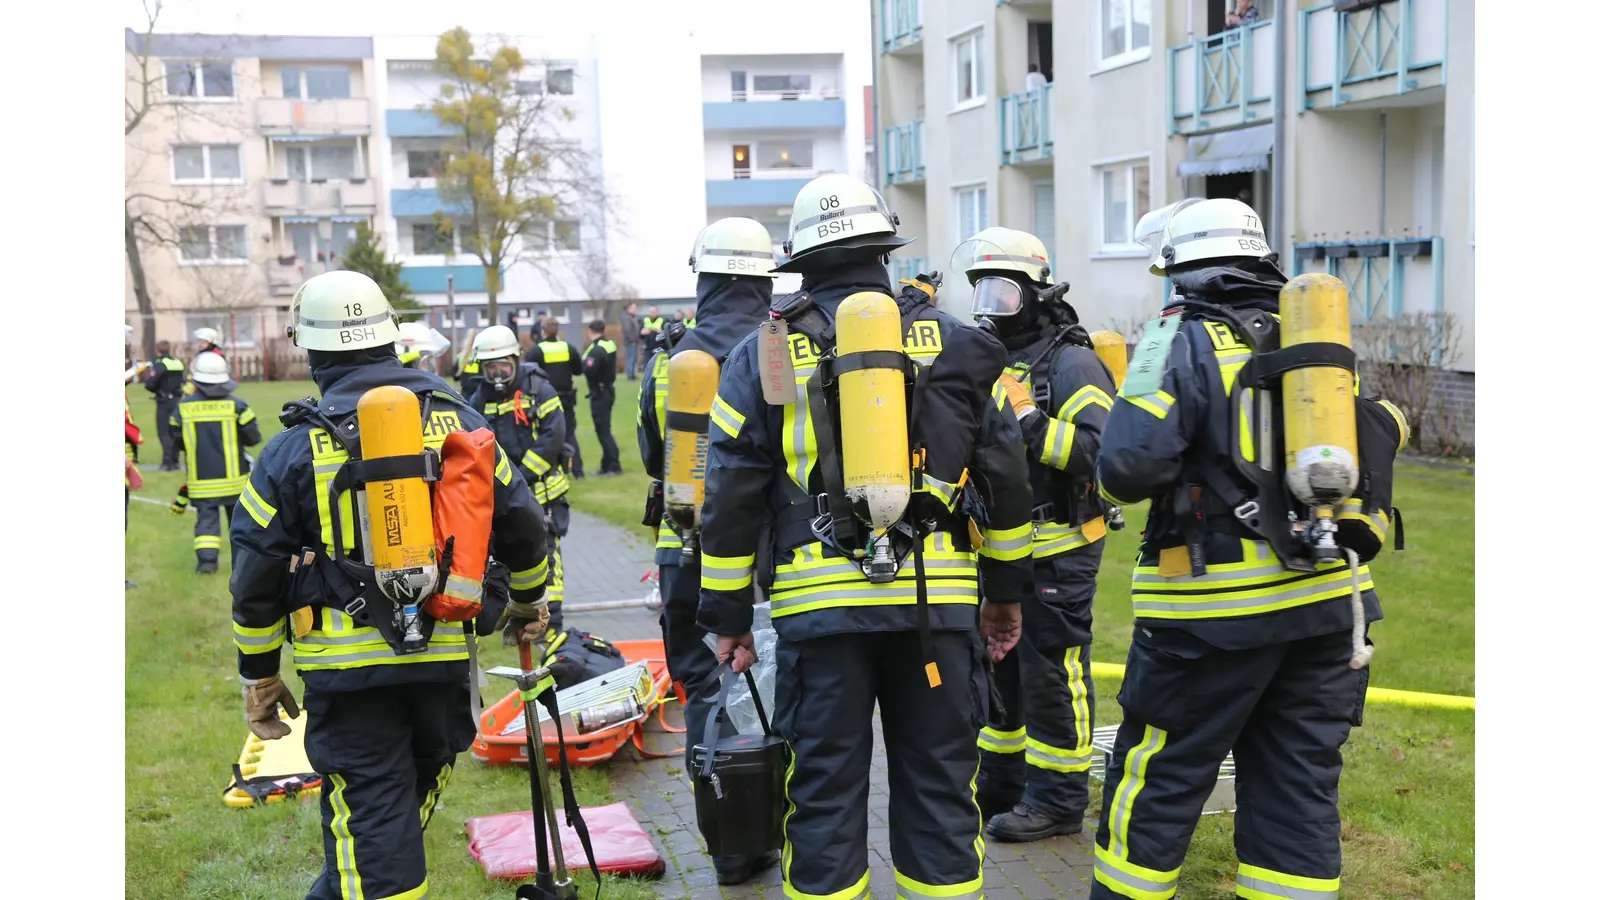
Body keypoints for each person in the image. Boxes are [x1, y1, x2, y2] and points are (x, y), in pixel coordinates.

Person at [695, 174, 1035, 899]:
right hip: (937, 614)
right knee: (943, 795)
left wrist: (726, 619)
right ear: (884, 248)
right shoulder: (954, 340)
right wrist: (1004, 598)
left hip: (819, 619)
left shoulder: (765, 351)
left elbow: (728, 495)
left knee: (820, 800)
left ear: (802, 261)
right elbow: (1006, 475)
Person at [1089, 198, 1408, 900]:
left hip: (1212, 618)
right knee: (1295, 795)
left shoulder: (1173, 337)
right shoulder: (1314, 340)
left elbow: (1126, 467)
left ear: (1177, 270)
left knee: (1156, 788)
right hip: (1329, 609)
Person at [229, 270, 552, 900]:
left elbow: (256, 575)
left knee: (375, 846)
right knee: (386, 824)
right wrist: (529, 599)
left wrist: (260, 674)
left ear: (314, 349)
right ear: (390, 338)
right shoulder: (458, 419)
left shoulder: (293, 449)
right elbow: (522, 522)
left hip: (349, 681)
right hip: (442, 670)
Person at [955, 227, 1116, 843]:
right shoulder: (988, 360)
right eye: (983, 292)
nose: (992, 307)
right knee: (1001, 671)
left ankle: (1057, 800)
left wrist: (1031, 422)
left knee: (1051, 672)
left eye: (1004, 293)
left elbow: (1103, 453)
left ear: (1036, 293)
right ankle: (1002, 785)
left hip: (1060, 548)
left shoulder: (1071, 362)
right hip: (1002, 548)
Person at [636, 217, 777, 883]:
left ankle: (727, 843)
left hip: (683, 550)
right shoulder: (779, 346)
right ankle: (776, 826)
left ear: (704, 277)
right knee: (774, 689)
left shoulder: (671, 360)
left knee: (702, 688)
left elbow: (649, 451)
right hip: (767, 553)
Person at [468, 324, 572, 635]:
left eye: (503, 366)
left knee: (547, 558)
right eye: (491, 368)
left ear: (516, 359)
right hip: (504, 499)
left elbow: (553, 437)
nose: (497, 374)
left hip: (543, 493)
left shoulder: (540, 390)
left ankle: (551, 622)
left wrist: (519, 477)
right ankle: (514, 614)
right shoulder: (477, 400)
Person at [169, 352, 261, 574]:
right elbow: (253, 438)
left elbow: (176, 439)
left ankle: (207, 564)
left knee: (207, 524)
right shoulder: (238, 406)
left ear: (197, 380)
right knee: (240, 525)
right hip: (236, 483)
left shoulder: (182, 409)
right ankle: (244, 565)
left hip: (201, 483)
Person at [529, 318, 586, 479]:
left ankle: (551, 470)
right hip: (566, 397)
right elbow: (578, 370)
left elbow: (529, 374)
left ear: (543, 330)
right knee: (569, 433)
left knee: (546, 434)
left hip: (544, 399)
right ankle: (578, 470)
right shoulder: (568, 348)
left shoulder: (537, 351)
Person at [581, 320, 623, 476]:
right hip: (608, 389)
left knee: (603, 431)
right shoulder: (609, 344)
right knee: (605, 429)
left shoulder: (597, 350)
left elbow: (589, 369)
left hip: (600, 392)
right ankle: (606, 466)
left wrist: (584, 365)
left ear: (591, 330)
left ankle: (614, 465)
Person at [143, 340, 187, 471]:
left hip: (164, 401)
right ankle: (175, 461)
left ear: (158, 351)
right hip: (177, 400)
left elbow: (150, 383)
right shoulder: (178, 363)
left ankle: (167, 463)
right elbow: (183, 380)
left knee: (164, 432)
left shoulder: (160, 364)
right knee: (174, 430)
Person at [622, 301, 643, 380]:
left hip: (634, 342)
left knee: (634, 358)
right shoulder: (627, 318)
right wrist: (633, 340)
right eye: (634, 308)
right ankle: (630, 375)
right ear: (629, 309)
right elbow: (627, 330)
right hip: (630, 342)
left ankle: (633, 374)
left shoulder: (633, 318)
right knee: (630, 358)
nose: (635, 310)